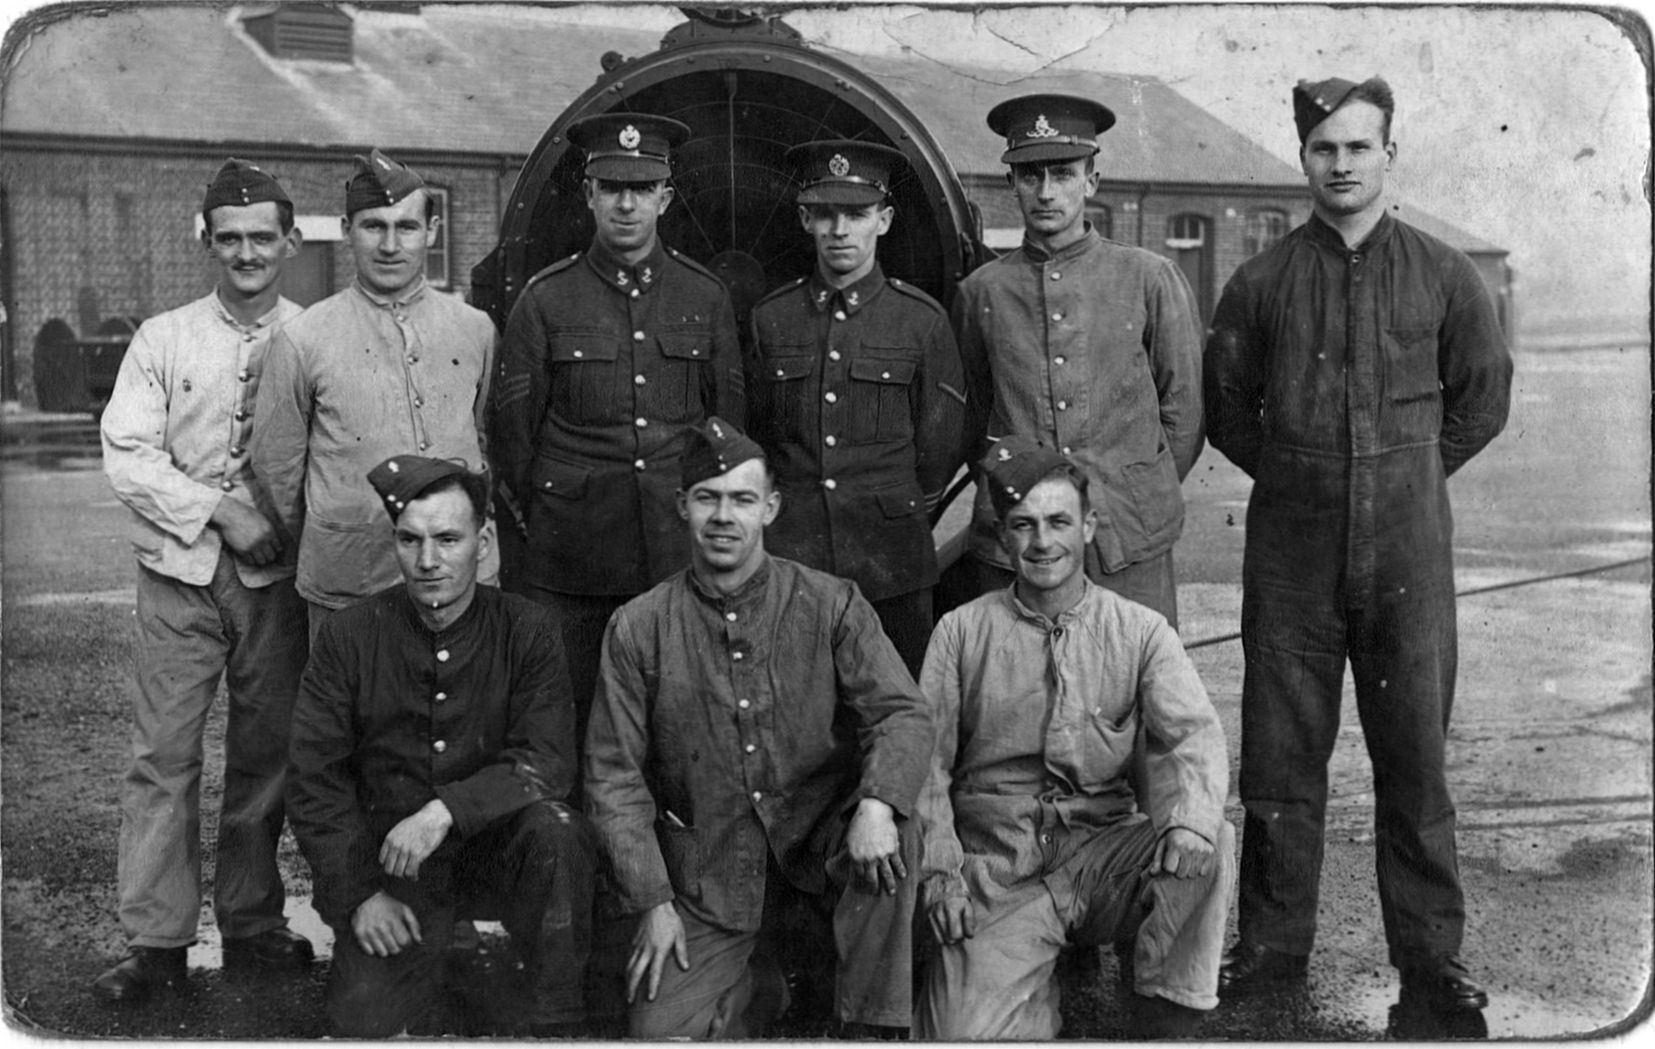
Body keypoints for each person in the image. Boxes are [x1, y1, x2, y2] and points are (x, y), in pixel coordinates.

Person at [1203, 76, 1512, 1011]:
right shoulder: (1258, 283)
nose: (1340, 164)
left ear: (1389, 155)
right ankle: (1269, 953)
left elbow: (1483, 401)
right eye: (1323, 149)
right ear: (1303, 158)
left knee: (1413, 763)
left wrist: (1402, 473)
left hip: (1407, 560)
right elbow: (1226, 413)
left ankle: (1430, 963)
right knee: (1279, 766)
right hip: (1291, 560)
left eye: (1357, 147)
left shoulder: (1444, 273)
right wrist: (1307, 477)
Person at [584, 417, 932, 1038]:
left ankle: (871, 1029)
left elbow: (899, 713)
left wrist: (878, 805)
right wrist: (653, 901)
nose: (724, 516)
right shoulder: (638, 627)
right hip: (711, 872)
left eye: (742, 499)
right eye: (707, 498)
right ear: (681, 506)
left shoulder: (832, 603)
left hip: (823, 852)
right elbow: (613, 777)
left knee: (899, 830)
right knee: (659, 1033)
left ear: (769, 508)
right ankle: (761, 985)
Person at [915, 437, 1233, 1039]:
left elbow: (1193, 737)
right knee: (959, 1037)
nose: (1043, 542)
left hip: (1102, 859)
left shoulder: (1140, 631)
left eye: (1059, 521)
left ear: (1088, 526)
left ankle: (1164, 1014)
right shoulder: (960, 633)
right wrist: (941, 876)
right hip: (1001, 870)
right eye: (1023, 525)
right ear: (1004, 536)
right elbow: (924, 768)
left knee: (1211, 836)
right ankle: (1027, 986)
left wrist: (1189, 820)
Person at [94, 159, 315, 1002]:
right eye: (230, 238)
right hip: (178, 574)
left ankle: (254, 922)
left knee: (267, 755)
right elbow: (128, 454)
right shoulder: (164, 337)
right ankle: (156, 940)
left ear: (290, 242)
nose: (247, 253)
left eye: (263, 238)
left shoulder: (314, 331)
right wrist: (223, 510)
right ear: (207, 241)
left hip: (277, 583)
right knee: (164, 754)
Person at [286, 456, 597, 1037]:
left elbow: (548, 759)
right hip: (396, 872)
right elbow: (314, 781)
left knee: (558, 830)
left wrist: (447, 809)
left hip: (496, 852)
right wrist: (359, 898)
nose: (428, 561)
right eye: (411, 540)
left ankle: (559, 1015)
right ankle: (442, 965)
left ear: (482, 542)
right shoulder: (349, 636)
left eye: (448, 539)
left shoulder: (527, 629)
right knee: (363, 1017)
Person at [491, 112, 743, 743]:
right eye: (611, 188)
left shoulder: (705, 297)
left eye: (641, 189)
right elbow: (513, 440)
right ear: (588, 194)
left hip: (674, 553)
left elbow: (727, 433)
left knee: (679, 724)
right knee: (569, 721)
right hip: (572, 556)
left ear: (666, 195)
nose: (626, 204)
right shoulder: (546, 300)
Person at [948, 94, 1204, 627]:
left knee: (1134, 688)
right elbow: (972, 420)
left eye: (1063, 174)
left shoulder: (1148, 278)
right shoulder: (981, 293)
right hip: (1017, 539)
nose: (1046, 192)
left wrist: (1130, 490)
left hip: (1128, 538)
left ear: (1091, 181)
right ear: (1011, 183)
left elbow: (1184, 415)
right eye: (1029, 175)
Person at [251, 148, 497, 635]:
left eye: (406, 227)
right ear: (347, 231)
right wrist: (339, 531)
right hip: (351, 583)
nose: (390, 245)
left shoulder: (476, 330)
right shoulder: (304, 338)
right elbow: (277, 466)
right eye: (373, 227)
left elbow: (488, 439)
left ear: (431, 232)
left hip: (460, 582)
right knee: (352, 709)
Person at [746, 139, 967, 676]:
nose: (840, 230)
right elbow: (752, 436)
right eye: (825, 214)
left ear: (884, 220)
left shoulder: (922, 321)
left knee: (893, 708)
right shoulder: (771, 320)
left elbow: (938, 450)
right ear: (805, 220)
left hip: (891, 563)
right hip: (792, 558)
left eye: (857, 214)